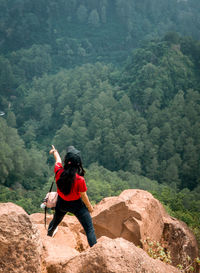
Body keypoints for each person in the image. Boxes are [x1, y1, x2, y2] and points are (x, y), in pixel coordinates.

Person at [47, 145, 97, 247]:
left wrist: (55, 151)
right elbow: (84, 196)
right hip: (77, 206)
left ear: (67, 161)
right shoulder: (80, 180)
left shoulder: (58, 171)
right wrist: (90, 207)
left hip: (61, 204)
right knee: (89, 229)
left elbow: (58, 160)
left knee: (55, 222)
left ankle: (47, 239)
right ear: (78, 164)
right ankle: (96, 249)